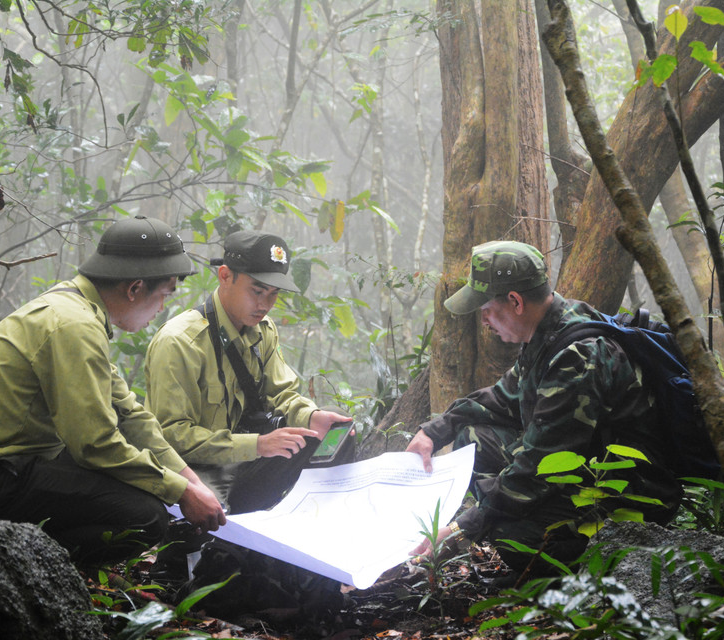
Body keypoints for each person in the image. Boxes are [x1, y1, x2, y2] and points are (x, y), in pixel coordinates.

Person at [0, 215, 226, 570]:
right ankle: (12, 570)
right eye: (163, 296)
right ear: (134, 288)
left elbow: (130, 417)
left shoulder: (76, 311)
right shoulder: (74, 325)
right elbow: (94, 444)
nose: (161, 309)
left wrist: (190, 480)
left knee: (141, 486)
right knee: (145, 518)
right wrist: (180, 492)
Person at [407, 240, 683, 582]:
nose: (485, 321)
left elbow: (539, 466)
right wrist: (435, 431)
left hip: (629, 491)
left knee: (510, 533)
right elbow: (502, 397)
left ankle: (581, 572)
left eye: (487, 310)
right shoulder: (551, 330)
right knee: (473, 438)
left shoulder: (577, 357)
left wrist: (465, 526)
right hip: (586, 465)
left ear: (515, 302)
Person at [143, 229, 352, 612]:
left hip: (243, 463)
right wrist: (256, 445)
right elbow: (169, 437)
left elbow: (283, 393)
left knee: (319, 441)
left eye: (274, 294)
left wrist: (314, 416)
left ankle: (299, 551)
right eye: (258, 291)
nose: (266, 304)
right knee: (207, 538)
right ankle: (192, 568)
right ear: (225, 276)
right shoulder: (180, 342)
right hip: (194, 472)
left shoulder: (262, 332)